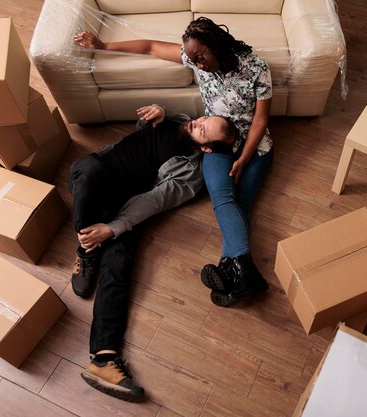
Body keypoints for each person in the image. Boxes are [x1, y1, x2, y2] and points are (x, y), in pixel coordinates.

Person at [74, 17, 274, 307]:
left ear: (217, 46)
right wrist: (103, 45)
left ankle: (235, 275)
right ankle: (244, 275)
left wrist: (243, 157)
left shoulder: (256, 67)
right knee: (223, 200)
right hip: (217, 146)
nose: (197, 65)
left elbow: (260, 120)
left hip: (254, 147)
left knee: (242, 201)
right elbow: (151, 47)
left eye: (201, 57)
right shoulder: (196, 60)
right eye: (192, 59)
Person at [69, 104, 236, 402]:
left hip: (124, 207)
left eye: (203, 129)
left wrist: (114, 228)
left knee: (119, 263)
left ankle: (104, 358)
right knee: (89, 170)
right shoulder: (177, 120)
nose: (198, 122)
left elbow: (155, 200)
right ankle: (86, 248)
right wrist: (156, 115)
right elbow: (139, 138)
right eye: (204, 119)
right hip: (96, 173)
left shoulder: (190, 176)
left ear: (207, 150)